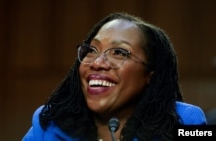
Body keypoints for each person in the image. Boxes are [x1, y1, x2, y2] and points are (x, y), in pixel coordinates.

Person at [22, 12, 207, 141]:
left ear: (150, 74)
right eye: (92, 50)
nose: (97, 62)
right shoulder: (49, 124)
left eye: (119, 52)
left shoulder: (185, 121)